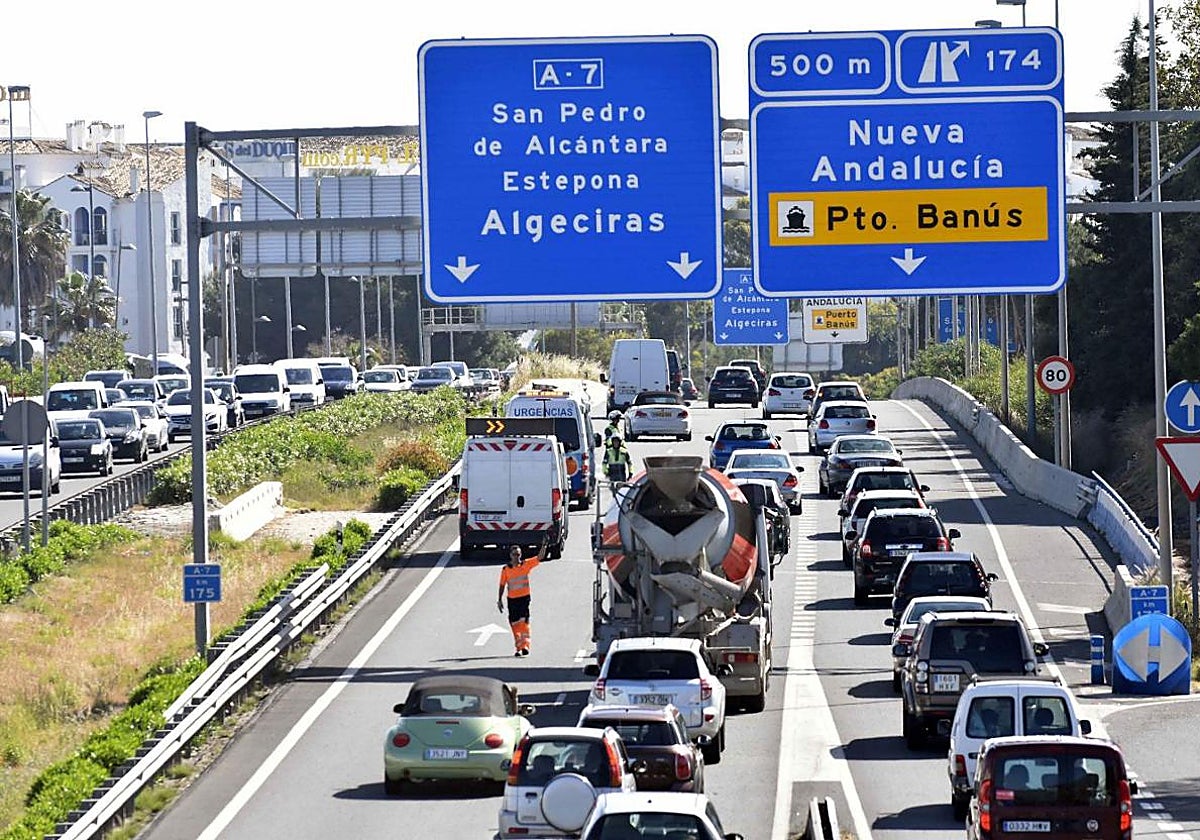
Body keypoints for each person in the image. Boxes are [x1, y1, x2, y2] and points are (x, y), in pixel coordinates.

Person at [497, 540, 547, 656]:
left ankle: (525, 646)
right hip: (512, 600)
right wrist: (499, 600)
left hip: (524, 598)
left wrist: (544, 546)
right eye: (514, 554)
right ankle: (519, 647)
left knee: (524, 622)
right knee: (515, 623)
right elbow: (502, 585)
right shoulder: (506, 569)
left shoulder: (525, 565)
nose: (517, 557)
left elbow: (539, 557)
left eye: (518, 554)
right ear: (510, 555)